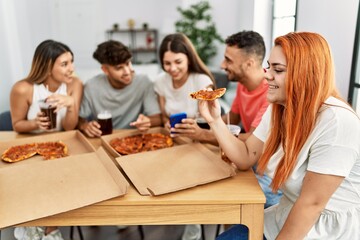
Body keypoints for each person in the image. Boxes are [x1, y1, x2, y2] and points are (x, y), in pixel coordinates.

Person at [200, 32, 360, 240]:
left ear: (305, 74)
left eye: (278, 70)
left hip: (323, 230)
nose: (266, 75)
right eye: (269, 67)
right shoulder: (279, 108)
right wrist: (214, 120)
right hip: (284, 215)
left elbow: (311, 206)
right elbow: (246, 156)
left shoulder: (338, 122)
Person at [172, 31, 282, 208]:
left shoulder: (271, 94)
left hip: (266, 173)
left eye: (228, 60)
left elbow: (251, 140)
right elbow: (232, 119)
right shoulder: (243, 85)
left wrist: (204, 135)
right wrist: (202, 120)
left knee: (215, 197)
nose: (222, 65)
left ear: (249, 64)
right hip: (247, 162)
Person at [10, 40, 83, 240]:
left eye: (72, 62)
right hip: (31, 149)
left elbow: (69, 127)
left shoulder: (74, 84)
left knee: (65, 177)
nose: (72, 69)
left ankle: (46, 229)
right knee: (35, 180)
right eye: (64, 64)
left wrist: (71, 104)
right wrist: (35, 123)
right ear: (47, 66)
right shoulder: (23, 89)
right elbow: (17, 124)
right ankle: (39, 228)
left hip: (63, 148)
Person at [153, 32, 215, 240]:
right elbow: (163, 117)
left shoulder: (202, 81)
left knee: (189, 175)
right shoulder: (161, 82)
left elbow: (211, 120)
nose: (172, 69)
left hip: (200, 143)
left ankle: (192, 232)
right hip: (174, 142)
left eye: (178, 62)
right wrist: (165, 124)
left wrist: (194, 128)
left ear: (189, 57)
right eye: (167, 63)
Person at [78, 40, 162, 137]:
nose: (127, 72)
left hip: (133, 138)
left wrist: (148, 122)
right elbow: (80, 119)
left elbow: (157, 118)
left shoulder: (144, 82)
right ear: (105, 70)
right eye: (119, 68)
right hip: (102, 138)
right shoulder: (91, 86)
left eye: (128, 63)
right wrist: (84, 125)